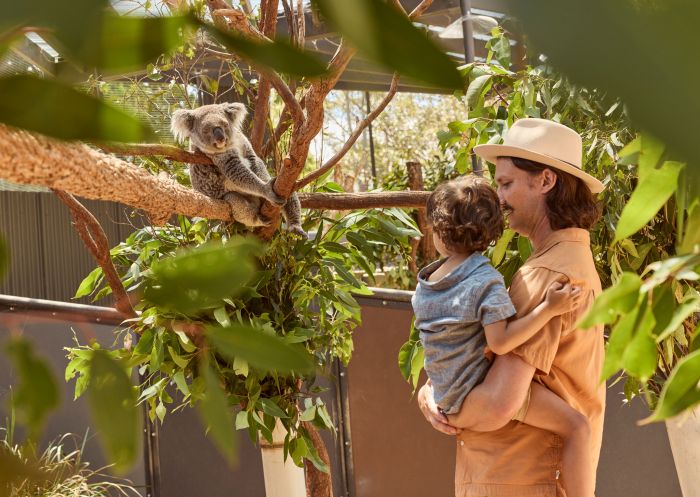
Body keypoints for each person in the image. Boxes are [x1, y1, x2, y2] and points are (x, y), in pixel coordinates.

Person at [417, 118, 606, 497]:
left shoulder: (548, 274)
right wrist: (433, 392)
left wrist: (441, 402)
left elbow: (497, 404)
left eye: (506, 184)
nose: (498, 199)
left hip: (519, 479)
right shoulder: (566, 259)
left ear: (546, 181)